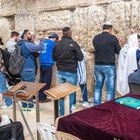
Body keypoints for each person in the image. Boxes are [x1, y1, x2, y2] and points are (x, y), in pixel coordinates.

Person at [53, 27, 83, 116]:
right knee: (70, 93)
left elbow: (54, 58)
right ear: (70, 33)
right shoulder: (73, 43)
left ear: (63, 33)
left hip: (60, 71)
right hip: (71, 71)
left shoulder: (57, 44)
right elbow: (80, 57)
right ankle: (68, 113)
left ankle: (62, 114)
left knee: (61, 93)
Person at [92, 21, 121, 105]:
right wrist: (118, 44)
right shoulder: (113, 38)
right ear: (111, 29)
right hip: (109, 66)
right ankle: (108, 106)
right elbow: (118, 51)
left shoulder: (96, 38)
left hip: (98, 65)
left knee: (98, 87)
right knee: (110, 89)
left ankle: (96, 105)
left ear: (103, 28)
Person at [18, 30, 44, 111]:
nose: (31, 34)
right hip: (28, 70)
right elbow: (41, 47)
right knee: (30, 88)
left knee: (24, 88)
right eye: (29, 33)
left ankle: (24, 105)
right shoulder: (26, 44)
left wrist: (32, 40)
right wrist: (41, 39)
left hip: (23, 69)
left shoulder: (21, 43)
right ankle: (30, 106)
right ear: (25, 35)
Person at [39, 33, 59, 103]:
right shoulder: (53, 43)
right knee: (47, 82)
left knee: (41, 81)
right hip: (48, 64)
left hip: (41, 64)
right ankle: (43, 98)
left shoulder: (44, 42)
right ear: (55, 38)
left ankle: (39, 96)